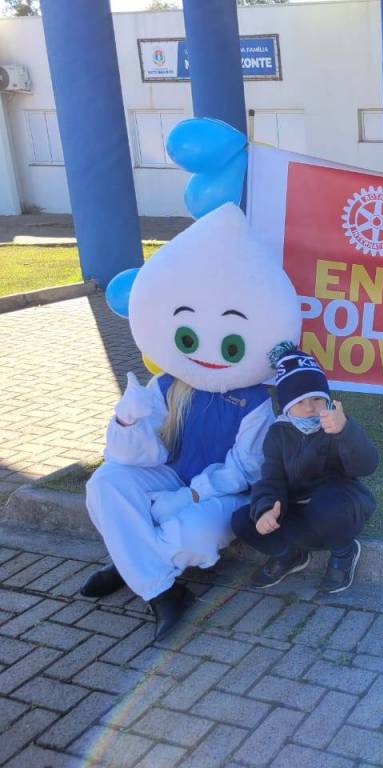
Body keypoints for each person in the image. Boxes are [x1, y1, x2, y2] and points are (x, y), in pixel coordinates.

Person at [81, 204, 301, 641]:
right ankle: (164, 593)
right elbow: (141, 456)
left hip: (223, 493)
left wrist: (192, 494)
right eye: (189, 337)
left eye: (231, 344)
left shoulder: (255, 400)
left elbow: (245, 470)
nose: (207, 352)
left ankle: (130, 565)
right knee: (105, 483)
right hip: (171, 475)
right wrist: (127, 421)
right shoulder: (169, 384)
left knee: (194, 535)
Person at [231, 344, 379, 593]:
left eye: (317, 399)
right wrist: (266, 509)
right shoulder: (277, 434)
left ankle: (344, 552)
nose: (310, 407)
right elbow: (272, 479)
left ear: (328, 400)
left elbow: (367, 465)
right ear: (287, 406)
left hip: (340, 509)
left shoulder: (337, 426)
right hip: (299, 513)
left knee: (327, 504)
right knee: (242, 520)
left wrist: (345, 430)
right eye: (300, 401)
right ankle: (289, 556)